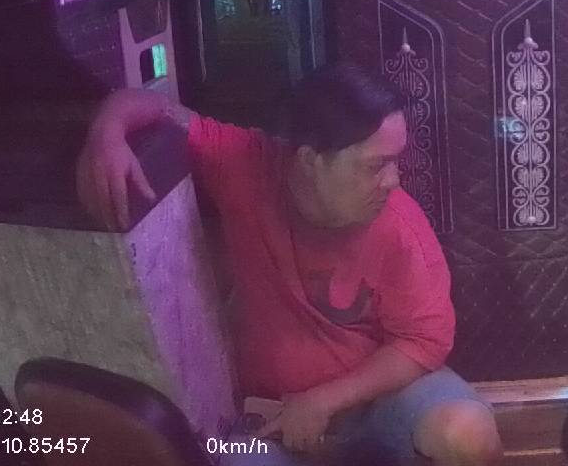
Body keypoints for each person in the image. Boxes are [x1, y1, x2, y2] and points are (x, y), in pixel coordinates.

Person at [76, 63, 503, 466]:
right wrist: (106, 135)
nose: (393, 181)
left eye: (396, 161)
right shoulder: (246, 164)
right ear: (310, 161)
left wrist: (324, 400)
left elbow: (423, 342)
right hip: (273, 416)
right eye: (376, 166)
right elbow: (157, 107)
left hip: (378, 405)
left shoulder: (400, 227)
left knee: (467, 434)